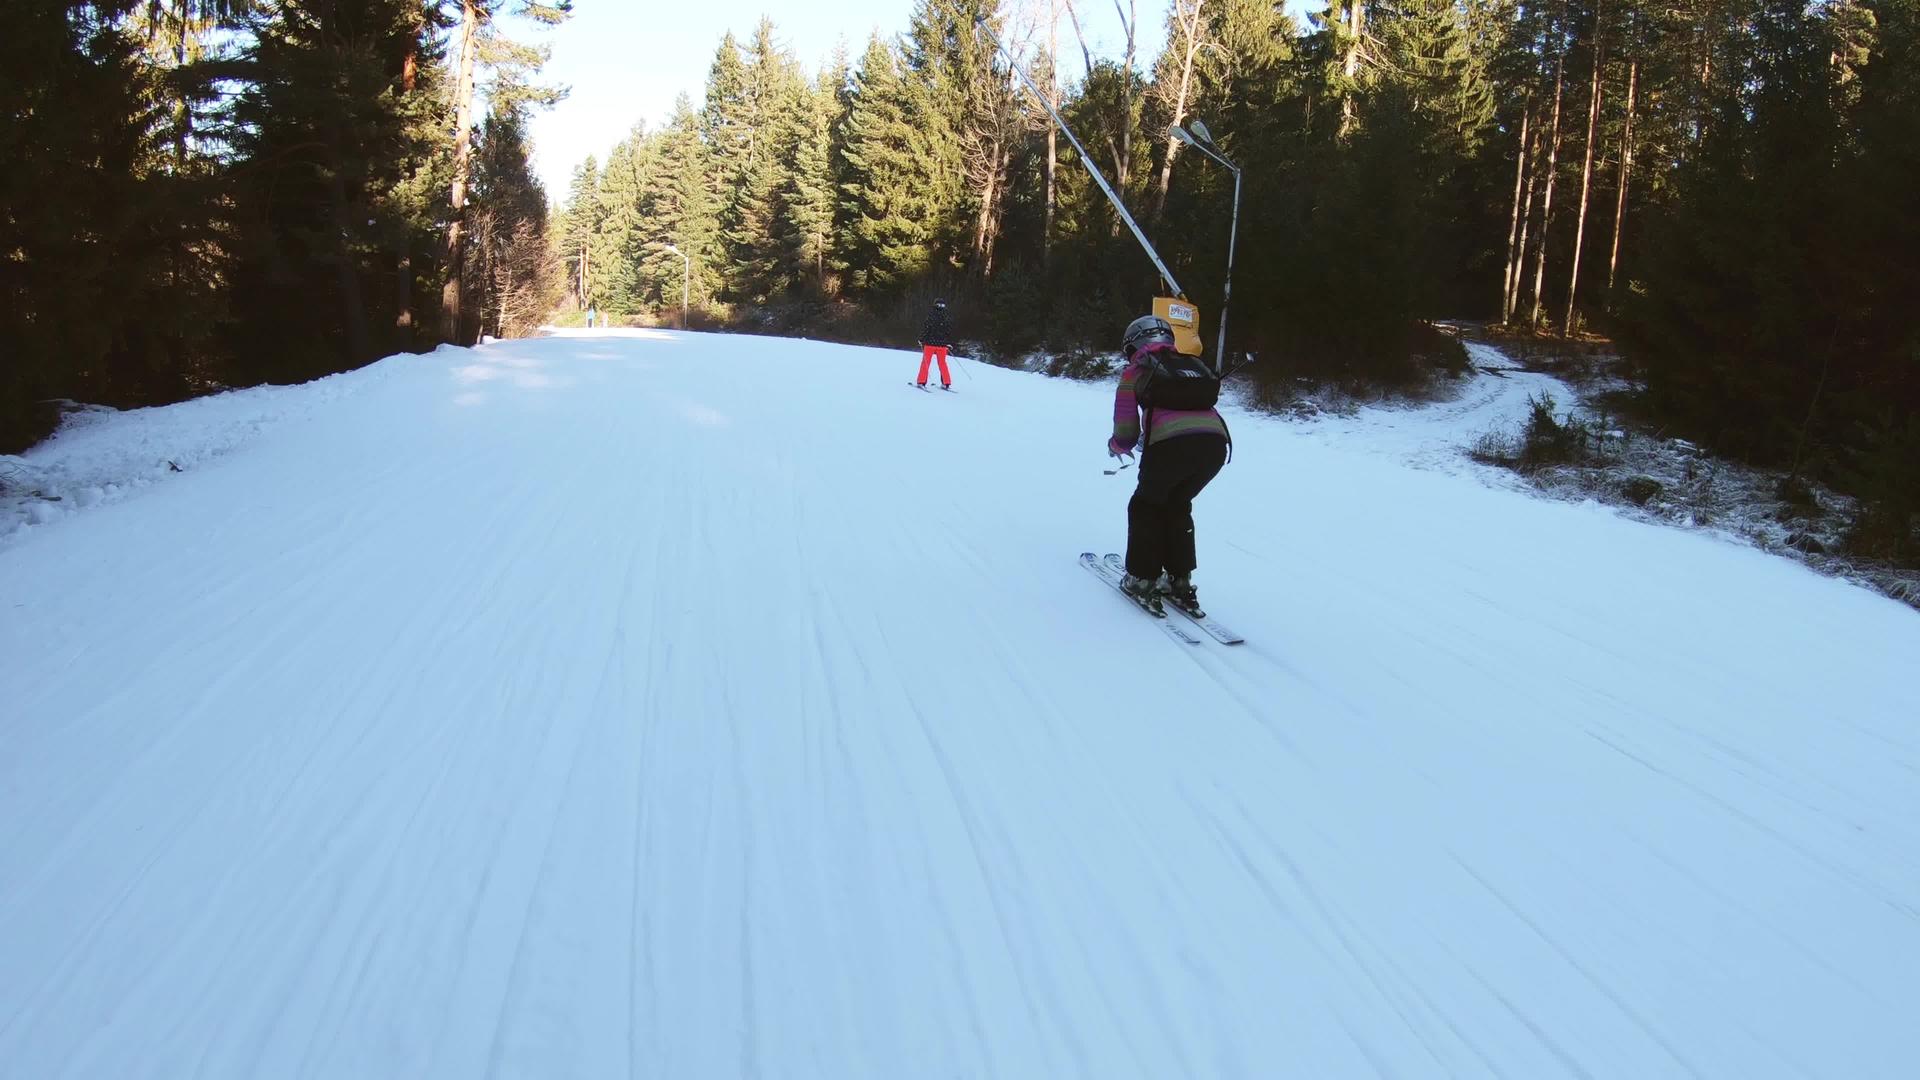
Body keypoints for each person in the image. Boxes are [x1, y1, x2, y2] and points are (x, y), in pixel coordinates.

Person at [1107, 314, 1230, 616]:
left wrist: (1117, 446)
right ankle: (1179, 580)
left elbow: (1126, 430)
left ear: (1133, 344)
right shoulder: (1191, 366)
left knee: (1145, 506)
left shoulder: (1136, 371)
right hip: (1214, 445)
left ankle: (1142, 579)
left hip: (1170, 447)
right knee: (1177, 504)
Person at [917, 298, 954, 389]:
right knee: (942, 363)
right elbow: (948, 331)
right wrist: (948, 342)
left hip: (930, 344)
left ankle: (921, 381)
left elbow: (927, 329)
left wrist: (921, 339)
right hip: (942, 345)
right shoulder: (947, 317)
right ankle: (946, 382)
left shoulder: (931, 316)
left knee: (926, 362)